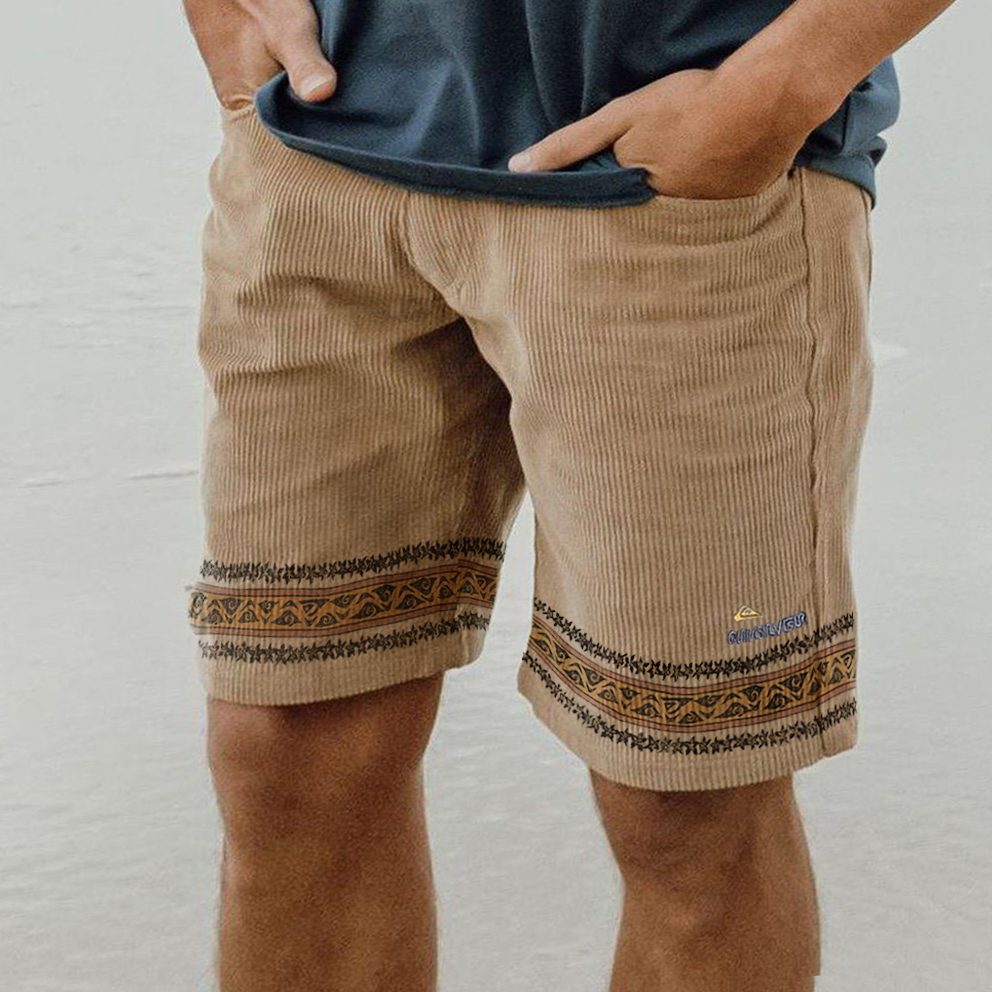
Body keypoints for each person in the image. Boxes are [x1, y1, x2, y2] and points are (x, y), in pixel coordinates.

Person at [180, 1, 955, 989]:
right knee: (287, 747)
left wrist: (777, 86)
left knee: (683, 792)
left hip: (663, 185)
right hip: (318, 159)